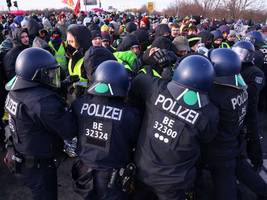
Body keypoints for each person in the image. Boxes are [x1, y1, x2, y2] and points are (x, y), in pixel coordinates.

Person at [131, 55, 219, 200]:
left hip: (143, 172)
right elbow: (207, 139)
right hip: (175, 183)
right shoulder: (209, 113)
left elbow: (138, 80)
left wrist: (162, 70)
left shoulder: (156, 89)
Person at [3, 47, 77, 200]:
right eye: (48, 73)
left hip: (21, 156)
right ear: (36, 75)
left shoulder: (15, 91)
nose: (51, 77)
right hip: (40, 165)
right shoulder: (43, 101)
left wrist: (62, 85)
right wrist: (76, 102)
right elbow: (70, 129)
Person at [71, 60, 141, 200]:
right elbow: (134, 141)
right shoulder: (130, 115)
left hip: (84, 171)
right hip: (112, 179)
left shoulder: (79, 104)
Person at [201, 48, 247, 200]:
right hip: (233, 141)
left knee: (223, 189)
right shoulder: (241, 89)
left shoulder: (216, 94)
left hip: (217, 150)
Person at [232, 41, 265, 172]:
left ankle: (257, 161)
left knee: (252, 134)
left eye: (242, 53)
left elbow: (253, 92)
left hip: (249, 108)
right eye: (237, 52)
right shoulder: (233, 68)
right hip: (235, 106)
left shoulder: (255, 72)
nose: (239, 55)